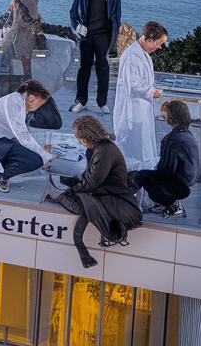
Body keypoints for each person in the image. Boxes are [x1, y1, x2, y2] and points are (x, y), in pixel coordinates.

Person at [55, 115, 143, 268]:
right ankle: (81, 248)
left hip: (110, 195)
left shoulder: (103, 152)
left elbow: (92, 182)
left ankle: (81, 249)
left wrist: (74, 189)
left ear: (87, 137)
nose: (78, 141)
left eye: (79, 138)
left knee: (70, 200)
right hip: (103, 189)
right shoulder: (101, 148)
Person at [0, 80, 53, 193]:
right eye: (40, 103)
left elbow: (21, 135)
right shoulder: (15, 104)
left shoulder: (18, 101)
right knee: (36, 160)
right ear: (31, 98)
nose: (40, 107)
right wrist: (45, 156)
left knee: (33, 156)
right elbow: (23, 136)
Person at [113, 21, 168, 171]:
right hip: (133, 109)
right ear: (148, 39)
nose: (159, 46)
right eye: (158, 43)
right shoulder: (133, 56)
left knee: (140, 146)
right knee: (133, 147)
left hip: (141, 108)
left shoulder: (142, 53)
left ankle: (139, 173)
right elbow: (133, 85)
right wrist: (151, 91)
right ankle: (131, 176)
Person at [69, 0, 121, 115]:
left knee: (103, 69)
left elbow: (116, 16)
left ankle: (102, 102)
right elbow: (73, 10)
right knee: (84, 68)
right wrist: (77, 27)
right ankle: (80, 100)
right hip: (87, 35)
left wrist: (114, 40)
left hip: (104, 35)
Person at [132, 100, 199, 218]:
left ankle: (128, 202)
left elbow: (165, 171)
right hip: (188, 180)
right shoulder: (187, 134)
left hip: (179, 184)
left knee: (141, 175)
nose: (164, 117)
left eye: (166, 115)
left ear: (173, 118)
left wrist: (151, 169)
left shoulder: (171, 140)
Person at [0, 0, 42, 80]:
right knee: (24, 56)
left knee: (22, 55)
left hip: (22, 29)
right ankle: (26, 77)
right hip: (29, 29)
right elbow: (35, 13)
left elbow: (19, 14)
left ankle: (23, 77)